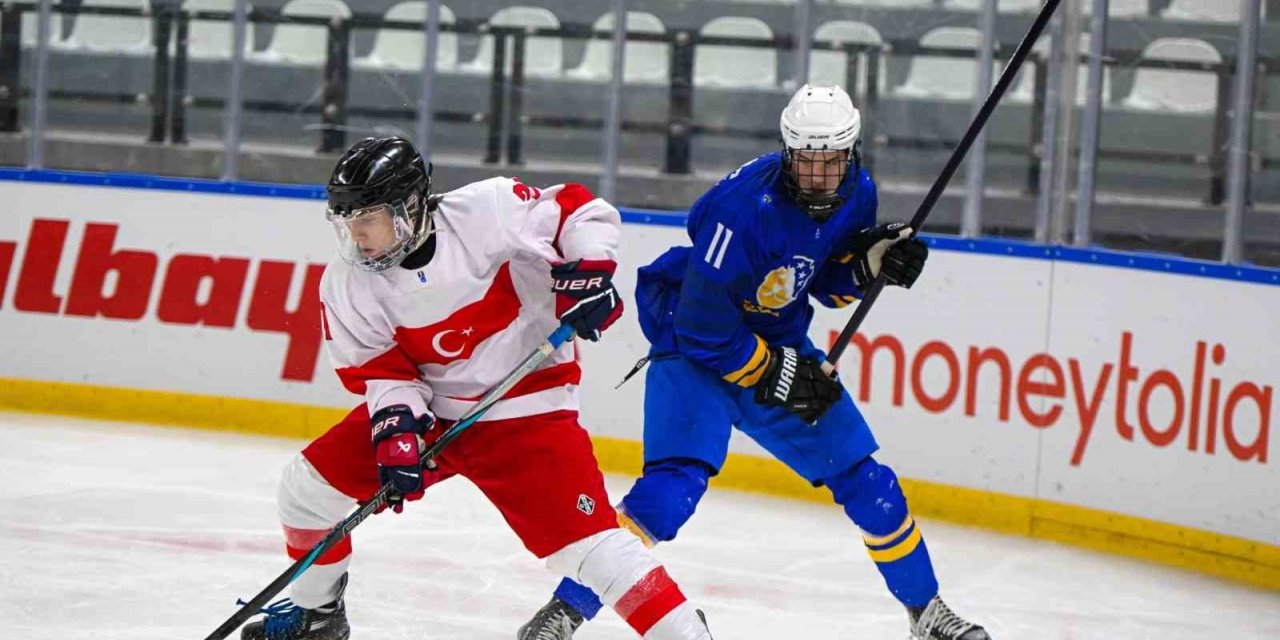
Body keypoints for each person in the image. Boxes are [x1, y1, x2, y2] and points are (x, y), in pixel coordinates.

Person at [517, 85, 991, 640]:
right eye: (807, 163)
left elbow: (818, 282)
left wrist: (870, 264)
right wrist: (782, 375)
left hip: (776, 344)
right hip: (695, 353)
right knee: (669, 495)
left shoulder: (858, 192)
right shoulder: (741, 209)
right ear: (789, 153)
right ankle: (563, 614)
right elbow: (703, 327)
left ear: (852, 154)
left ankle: (927, 614)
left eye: (831, 163)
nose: (819, 177)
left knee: (872, 485)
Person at [238, 136, 715, 640]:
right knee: (307, 491)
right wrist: (397, 429)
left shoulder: (488, 210)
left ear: (410, 207)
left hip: (525, 406)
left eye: (367, 220)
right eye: (347, 222)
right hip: (436, 414)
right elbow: (383, 371)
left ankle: (686, 633)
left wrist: (590, 272)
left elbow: (578, 211)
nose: (357, 237)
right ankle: (317, 617)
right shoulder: (347, 283)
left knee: (591, 549)